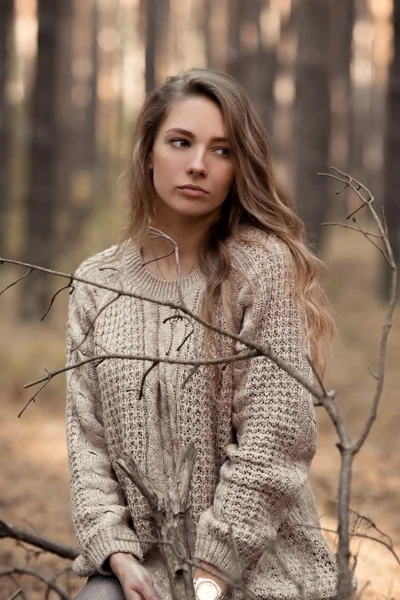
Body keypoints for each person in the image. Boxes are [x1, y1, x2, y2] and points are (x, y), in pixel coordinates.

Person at [66, 68, 338, 600]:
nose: (198, 164)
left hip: (259, 571)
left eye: (222, 150)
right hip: (142, 573)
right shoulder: (94, 285)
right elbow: (88, 446)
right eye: (181, 142)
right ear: (149, 151)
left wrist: (210, 579)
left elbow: (275, 441)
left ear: (240, 167)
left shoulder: (260, 268)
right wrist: (118, 558)